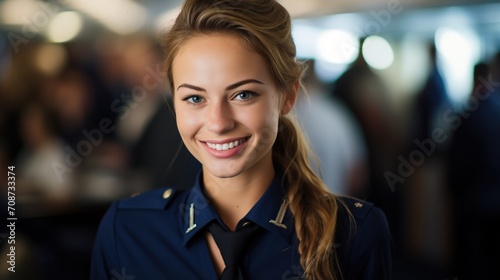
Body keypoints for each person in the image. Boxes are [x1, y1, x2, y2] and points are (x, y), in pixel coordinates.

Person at [91, 1, 393, 279]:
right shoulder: (126, 232)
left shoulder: (354, 234)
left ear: (288, 96)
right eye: (195, 98)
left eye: (243, 94)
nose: (219, 123)